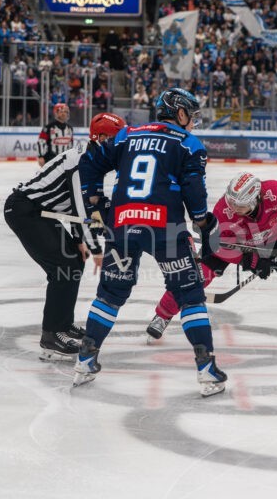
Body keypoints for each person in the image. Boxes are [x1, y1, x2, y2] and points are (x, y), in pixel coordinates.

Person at [73, 87, 227, 397]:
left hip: (123, 222)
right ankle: (207, 370)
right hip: (165, 226)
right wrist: (203, 222)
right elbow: (193, 191)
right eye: (191, 115)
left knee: (111, 293)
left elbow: (89, 160)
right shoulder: (189, 143)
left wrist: (95, 202)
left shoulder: (127, 134)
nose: (193, 122)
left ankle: (86, 359)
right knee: (189, 293)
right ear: (179, 113)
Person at [145, 169, 277, 343]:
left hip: (274, 239)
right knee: (195, 276)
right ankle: (161, 316)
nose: (233, 208)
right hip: (233, 245)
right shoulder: (222, 212)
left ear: (256, 199)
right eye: (231, 202)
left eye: (240, 205)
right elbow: (218, 246)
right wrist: (250, 261)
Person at [4, 112, 125, 361]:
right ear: (100, 138)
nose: (120, 147)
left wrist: (80, 240)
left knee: (72, 261)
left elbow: (76, 206)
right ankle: (51, 335)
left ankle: (63, 325)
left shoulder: (92, 160)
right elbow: (82, 210)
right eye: (116, 140)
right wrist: (96, 249)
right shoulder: (84, 162)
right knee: (62, 265)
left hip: (39, 213)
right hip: (24, 211)